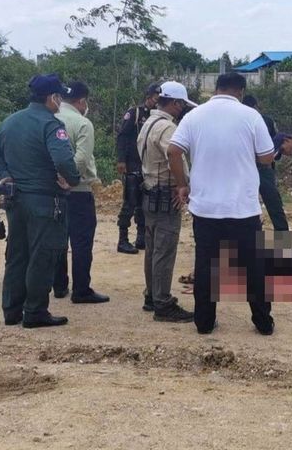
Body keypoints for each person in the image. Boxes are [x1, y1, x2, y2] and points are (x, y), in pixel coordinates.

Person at [168, 72, 275, 335]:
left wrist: (182, 184)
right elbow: (266, 157)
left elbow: (173, 150)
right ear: (240, 91)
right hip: (242, 208)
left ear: (216, 88)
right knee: (253, 267)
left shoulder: (194, 116)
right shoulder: (251, 116)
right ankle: (263, 322)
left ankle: (204, 323)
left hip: (205, 208)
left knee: (206, 266)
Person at [0, 74, 80, 328]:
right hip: (44, 201)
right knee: (42, 255)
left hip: (15, 200)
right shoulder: (52, 125)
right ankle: (35, 311)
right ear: (52, 98)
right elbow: (63, 159)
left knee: (17, 254)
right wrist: (72, 179)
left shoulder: (10, 121)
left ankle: (11, 310)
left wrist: (5, 175)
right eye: (59, 97)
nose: (60, 102)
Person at [137, 81, 196, 322]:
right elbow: (174, 154)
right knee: (164, 250)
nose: (182, 110)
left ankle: (152, 296)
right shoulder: (168, 128)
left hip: (150, 191)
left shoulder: (149, 123)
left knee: (153, 249)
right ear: (175, 103)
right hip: (165, 194)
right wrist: (182, 184)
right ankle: (162, 302)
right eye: (182, 105)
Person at [53, 82, 109, 304]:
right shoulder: (83, 123)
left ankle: (59, 286)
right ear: (82, 101)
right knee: (82, 242)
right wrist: (70, 179)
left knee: (59, 238)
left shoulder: (51, 118)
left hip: (53, 190)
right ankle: (81, 289)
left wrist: (58, 180)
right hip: (79, 190)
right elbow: (82, 159)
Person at [116, 83, 161, 254]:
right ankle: (123, 240)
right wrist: (121, 160)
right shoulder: (135, 113)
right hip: (132, 164)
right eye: (156, 98)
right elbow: (122, 136)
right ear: (148, 97)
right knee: (130, 202)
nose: (157, 101)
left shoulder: (157, 117)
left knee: (144, 204)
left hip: (148, 165)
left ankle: (141, 238)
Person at [243, 95, 288, 231]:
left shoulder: (238, 120)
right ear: (256, 106)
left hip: (244, 168)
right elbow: (276, 142)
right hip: (264, 168)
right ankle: (282, 233)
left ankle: (251, 232)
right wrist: (274, 157)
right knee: (273, 203)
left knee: (245, 204)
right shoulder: (265, 120)